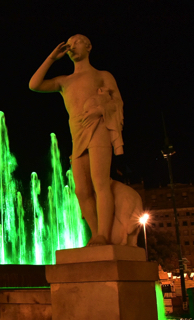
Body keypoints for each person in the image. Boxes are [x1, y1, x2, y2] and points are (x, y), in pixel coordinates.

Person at [29, 34, 124, 246]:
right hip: (78, 136)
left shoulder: (102, 75)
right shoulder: (65, 81)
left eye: (77, 42)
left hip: (98, 129)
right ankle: (96, 233)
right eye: (69, 44)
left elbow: (117, 102)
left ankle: (103, 236)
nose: (71, 47)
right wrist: (52, 58)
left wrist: (99, 109)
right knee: (81, 191)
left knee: (100, 184)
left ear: (89, 46)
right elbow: (34, 85)